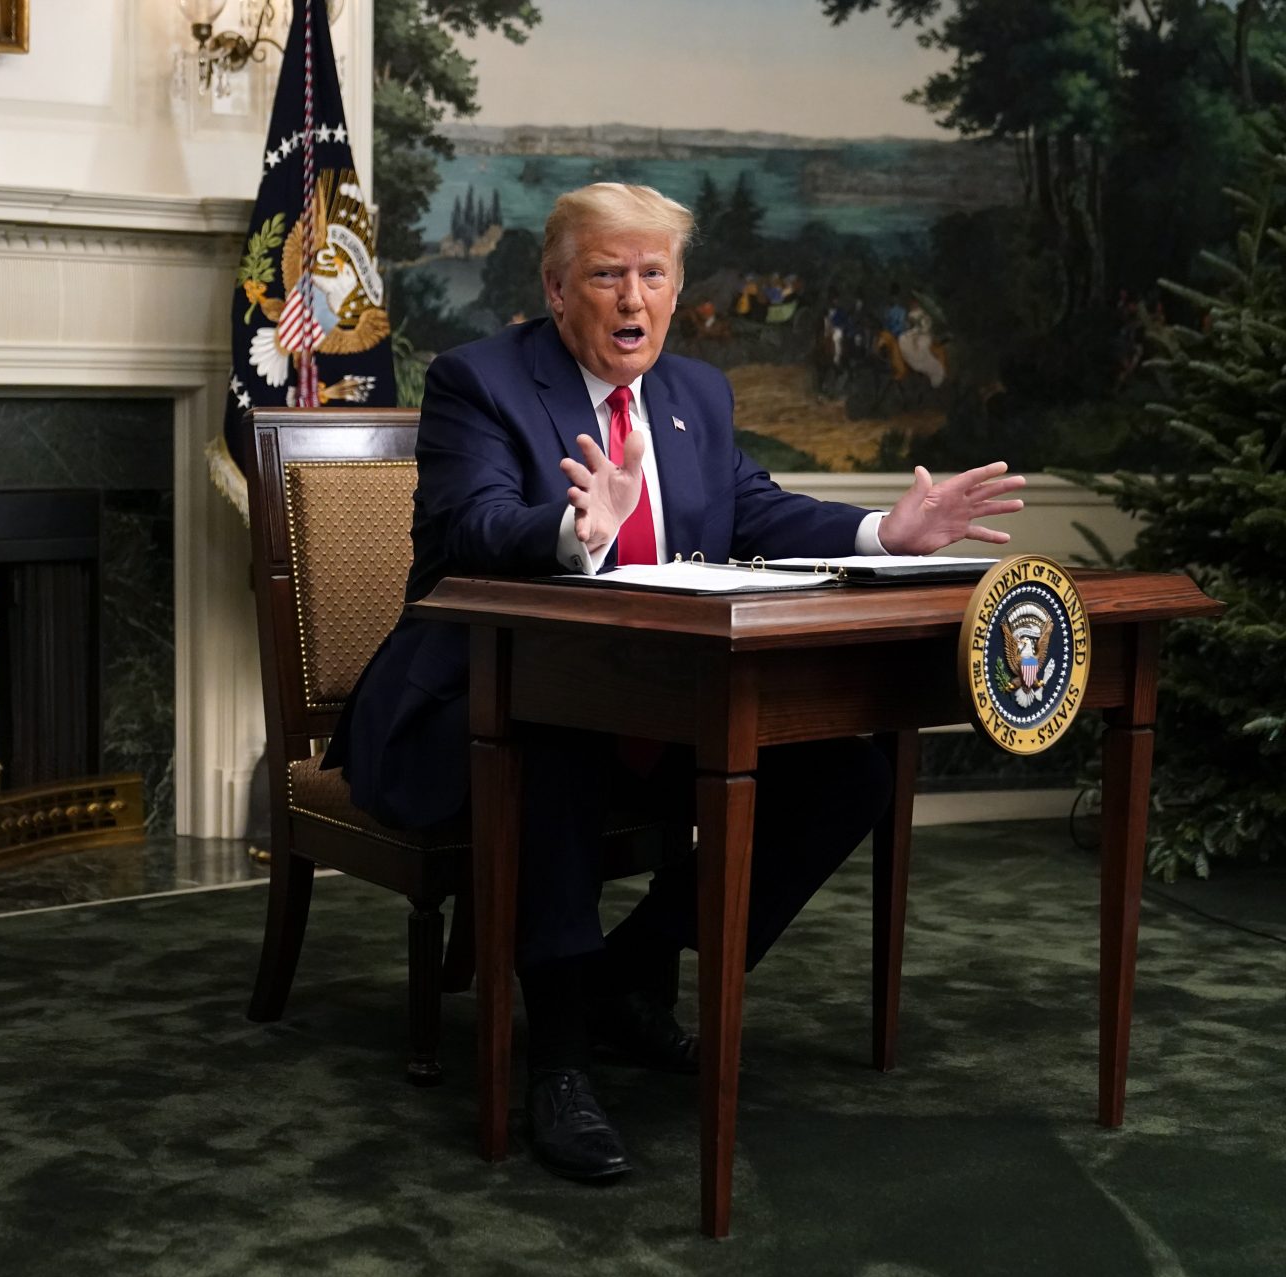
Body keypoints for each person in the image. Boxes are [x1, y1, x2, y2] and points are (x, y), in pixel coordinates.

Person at [320, 183, 1025, 1183]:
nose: (632, 297)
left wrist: (883, 531)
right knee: (552, 740)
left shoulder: (696, 394)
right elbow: (472, 525)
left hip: (653, 716)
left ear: (678, 288)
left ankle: (630, 971)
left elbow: (760, 513)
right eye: (608, 273)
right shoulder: (479, 381)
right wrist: (576, 531)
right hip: (466, 708)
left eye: (653, 273)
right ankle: (558, 1062)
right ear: (559, 288)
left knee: (848, 771)